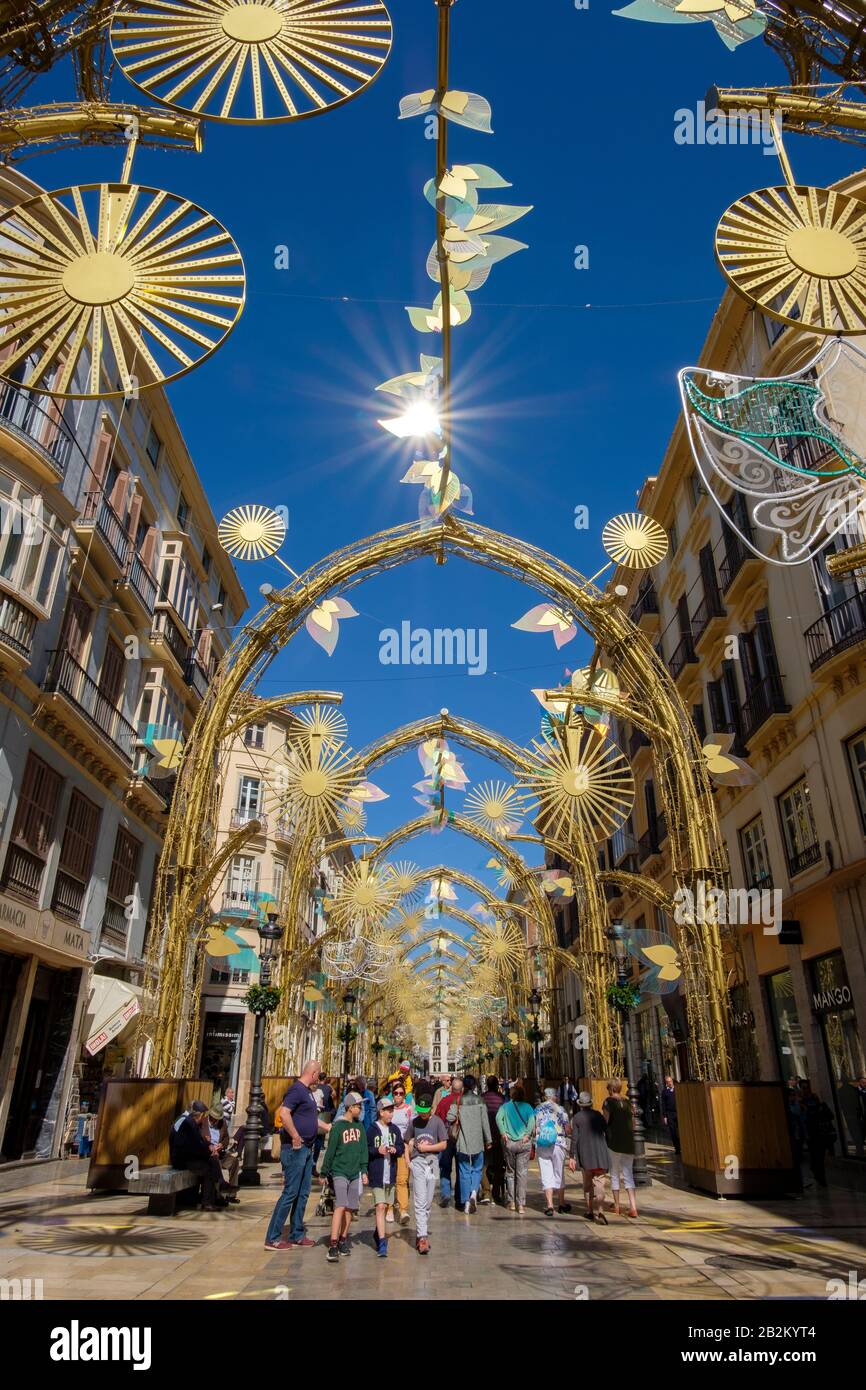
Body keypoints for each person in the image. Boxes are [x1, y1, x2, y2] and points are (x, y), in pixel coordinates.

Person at [264, 1058, 331, 1250]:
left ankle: (297, 1234)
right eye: (319, 1073)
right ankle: (273, 1237)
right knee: (290, 1193)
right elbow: (284, 1113)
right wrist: (294, 1136)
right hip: (296, 1150)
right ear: (314, 1073)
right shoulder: (296, 1090)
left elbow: (309, 1118)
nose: (319, 1076)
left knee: (303, 1193)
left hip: (306, 1149)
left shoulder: (307, 1092)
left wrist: (326, 1126)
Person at [320, 1090, 369, 1261]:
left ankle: (343, 1238)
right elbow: (330, 1151)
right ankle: (333, 1243)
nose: (361, 1109)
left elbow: (363, 1150)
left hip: (354, 1172)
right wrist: (324, 1171)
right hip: (339, 1171)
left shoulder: (359, 1127)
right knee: (340, 1205)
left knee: (350, 1207)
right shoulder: (338, 1127)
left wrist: (364, 1171)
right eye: (358, 1106)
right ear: (350, 1107)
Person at [405, 1093, 448, 1254]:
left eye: (425, 1110)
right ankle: (422, 1237)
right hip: (417, 1162)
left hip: (432, 1162)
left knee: (428, 1200)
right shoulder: (414, 1122)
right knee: (420, 1198)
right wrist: (408, 1158)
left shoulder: (437, 1122)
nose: (422, 1113)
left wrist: (427, 1148)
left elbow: (443, 1144)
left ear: (431, 1108)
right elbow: (406, 1140)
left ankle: (421, 1230)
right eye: (420, 1110)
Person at [170, 1099, 226, 1210]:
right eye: (203, 1116)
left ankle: (217, 1191)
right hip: (181, 1160)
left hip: (184, 1157)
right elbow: (194, 1146)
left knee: (212, 1161)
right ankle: (209, 1201)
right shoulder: (188, 1123)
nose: (202, 1120)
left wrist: (208, 1147)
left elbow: (198, 1142)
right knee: (208, 1168)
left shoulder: (187, 1121)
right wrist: (208, 1151)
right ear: (199, 1115)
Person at [447, 1075, 491, 1214]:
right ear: (474, 1086)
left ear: (464, 1086)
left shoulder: (458, 1100)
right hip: (478, 1140)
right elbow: (485, 1122)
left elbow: (449, 1117)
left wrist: (456, 1115)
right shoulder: (480, 1100)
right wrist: (488, 1139)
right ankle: (473, 1193)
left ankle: (466, 1200)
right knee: (477, 1168)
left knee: (464, 1170)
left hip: (463, 1141)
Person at [367, 1097, 405, 1258]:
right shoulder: (372, 1129)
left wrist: (396, 1149)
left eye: (392, 1110)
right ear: (380, 1112)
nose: (391, 1113)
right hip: (377, 1173)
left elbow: (402, 1147)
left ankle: (378, 1232)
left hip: (390, 1173)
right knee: (380, 1206)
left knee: (387, 1204)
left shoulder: (395, 1130)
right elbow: (366, 1149)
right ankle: (382, 1242)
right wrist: (377, 1150)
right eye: (388, 1111)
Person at [569, 1091, 610, 1224]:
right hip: (600, 1154)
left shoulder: (577, 1118)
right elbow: (607, 1132)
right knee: (599, 1182)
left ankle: (589, 1211)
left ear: (580, 1104)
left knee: (587, 1184)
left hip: (585, 1155)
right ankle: (601, 1211)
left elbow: (574, 1139)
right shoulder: (598, 1115)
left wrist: (572, 1156)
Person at [496, 1083, 535, 1213]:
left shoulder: (505, 1107)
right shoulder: (528, 1107)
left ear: (511, 1094)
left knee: (510, 1172)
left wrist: (503, 1133)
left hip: (510, 1143)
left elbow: (498, 1118)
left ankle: (511, 1202)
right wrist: (527, 1135)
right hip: (523, 1143)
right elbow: (532, 1121)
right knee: (522, 1174)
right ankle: (521, 1204)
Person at [534, 1087, 572, 1215]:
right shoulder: (561, 1109)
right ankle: (561, 1203)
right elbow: (567, 1129)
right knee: (559, 1172)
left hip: (543, 1143)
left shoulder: (537, 1109)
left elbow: (534, 1128)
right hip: (558, 1143)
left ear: (545, 1096)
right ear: (554, 1096)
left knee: (546, 1173)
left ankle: (550, 1205)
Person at [603, 1079, 638, 1219]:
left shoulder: (608, 1102)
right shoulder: (629, 1102)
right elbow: (634, 1124)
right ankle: (633, 1207)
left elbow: (605, 1121)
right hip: (629, 1143)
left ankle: (617, 1206)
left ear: (611, 1089)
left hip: (614, 1142)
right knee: (628, 1174)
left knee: (615, 1174)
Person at [388, 1082, 416, 1225]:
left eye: (400, 1093)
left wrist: (411, 1142)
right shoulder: (389, 1109)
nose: (398, 1096)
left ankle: (403, 1209)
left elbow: (413, 1127)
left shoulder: (409, 1110)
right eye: (395, 1093)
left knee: (402, 1179)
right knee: (389, 1180)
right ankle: (389, 1208)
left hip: (403, 1148)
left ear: (404, 1095)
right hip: (389, 1149)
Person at [436, 1076, 463, 1208]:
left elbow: (437, 1118)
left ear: (451, 1088)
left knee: (445, 1167)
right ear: (462, 1089)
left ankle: (446, 1195)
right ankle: (459, 1196)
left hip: (446, 1138)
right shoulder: (465, 1102)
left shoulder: (444, 1101)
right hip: (461, 1138)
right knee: (460, 1167)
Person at [801, 1083, 836, 1188]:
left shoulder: (817, 1105)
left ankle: (820, 1177)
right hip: (813, 1135)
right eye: (804, 1088)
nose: (806, 1090)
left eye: (806, 1088)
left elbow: (830, 1116)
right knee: (817, 1158)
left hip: (818, 1134)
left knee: (818, 1158)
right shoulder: (804, 1104)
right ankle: (820, 1177)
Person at [206, 1100, 240, 1202]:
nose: (215, 1120)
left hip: (220, 1153)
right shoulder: (203, 1123)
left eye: (217, 1118)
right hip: (209, 1155)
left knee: (234, 1161)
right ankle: (218, 1195)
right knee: (215, 1162)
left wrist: (222, 1145)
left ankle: (231, 1194)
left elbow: (226, 1138)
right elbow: (200, 1139)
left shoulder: (222, 1122)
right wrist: (210, 1147)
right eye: (214, 1118)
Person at [479, 1075, 505, 1205]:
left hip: (484, 1137)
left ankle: (486, 1191)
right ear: (496, 1086)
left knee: (483, 1165)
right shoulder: (502, 1099)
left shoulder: (482, 1098)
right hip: (499, 1137)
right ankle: (496, 1194)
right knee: (499, 1166)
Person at [660, 1075, 680, 1155]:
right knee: (673, 1131)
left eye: (670, 1081)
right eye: (668, 1082)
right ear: (666, 1083)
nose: (670, 1083)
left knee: (680, 1131)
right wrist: (664, 1116)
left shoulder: (677, 1089)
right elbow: (663, 1104)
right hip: (670, 1113)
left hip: (678, 1112)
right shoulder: (664, 1092)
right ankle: (677, 1148)